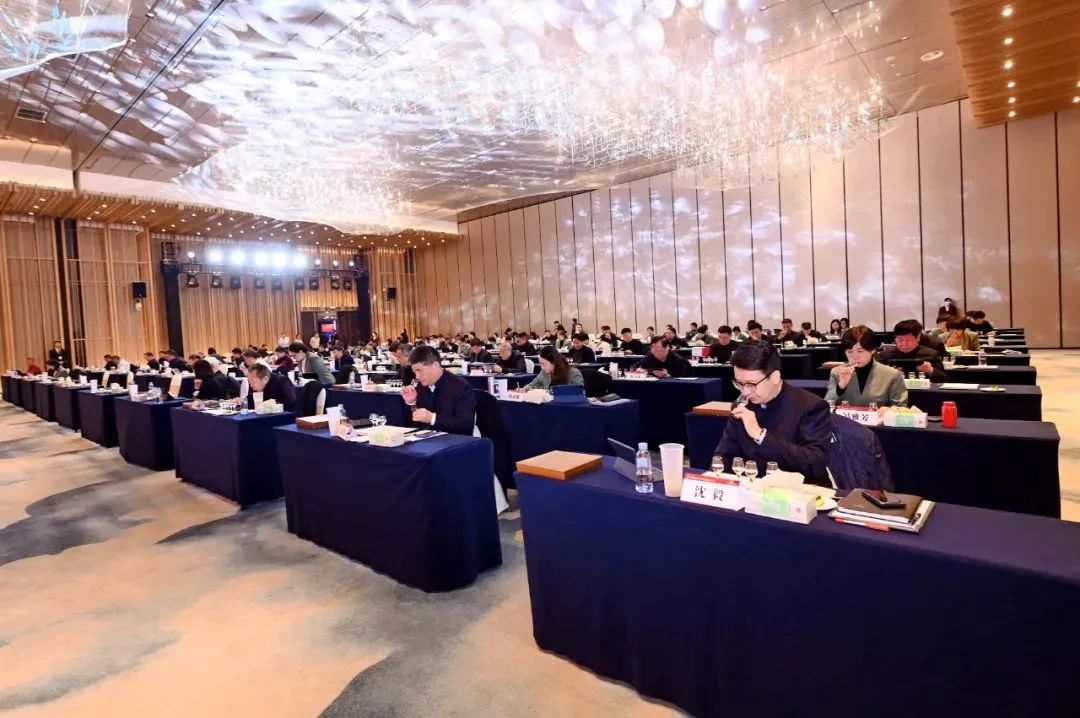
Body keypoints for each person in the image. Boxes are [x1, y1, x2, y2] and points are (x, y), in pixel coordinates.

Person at [712, 341, 831, 486]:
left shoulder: (811, 406)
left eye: (751, 384)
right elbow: (724, 454)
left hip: (801, 491)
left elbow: (815, 464)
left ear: (775, 377)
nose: (745, 392)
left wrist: (760, 435)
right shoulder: (742, 405)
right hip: (754, 489)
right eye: (739, 384)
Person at [401, 345, 476, 434]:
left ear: (435, 365)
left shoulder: (460, 387)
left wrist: (433, 418)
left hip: (453, 439)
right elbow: (410, 424)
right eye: (414, 371)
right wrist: (411, 403)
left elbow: (466, 425)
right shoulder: (419, 386)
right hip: (424, 439)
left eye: (420, 370)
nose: (417, 376)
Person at [825, 326, 907, 407]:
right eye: (850, 352)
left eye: (860, 351)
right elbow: (826, 405)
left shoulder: (891, 374)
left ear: (872, 350)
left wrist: (887, 410)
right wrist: (841, 386)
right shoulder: (837, 372)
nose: (855, 356)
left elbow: (901, 408)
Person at [878, 320, 947, 382]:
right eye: (900, 340)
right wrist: (888, 374)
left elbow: (945, 379)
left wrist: (930, 370)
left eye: (908, 340)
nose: (904, 344)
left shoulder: (931, 355)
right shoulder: (884, 356)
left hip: (923, 391)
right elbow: (875, 379)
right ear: (895, 339)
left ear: (918, 338)